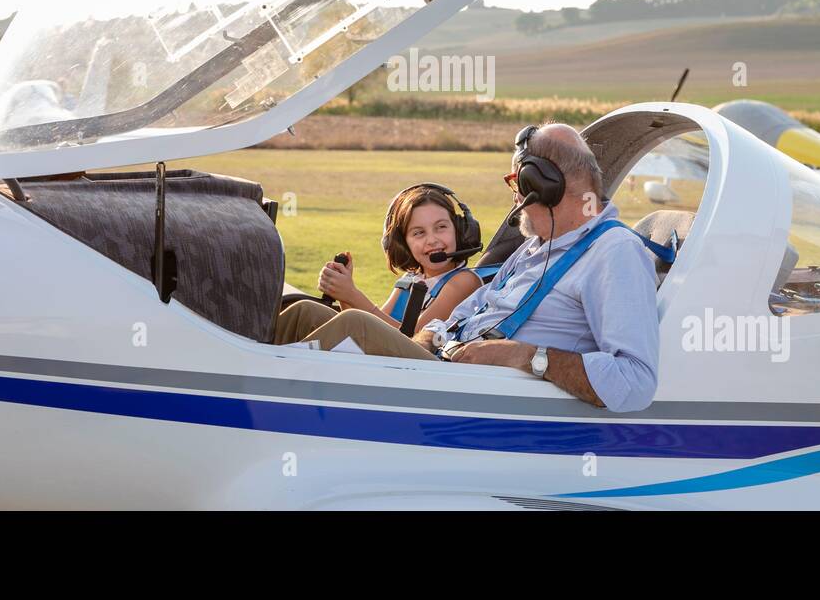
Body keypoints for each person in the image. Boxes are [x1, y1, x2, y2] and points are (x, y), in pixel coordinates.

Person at [275, 123, 663, 413]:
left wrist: (525, 356)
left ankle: (263, 411)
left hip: (479, 397)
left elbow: (635, 381)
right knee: (304, 313)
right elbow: (465, 313)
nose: (514, 194)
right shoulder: (535, 248)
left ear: (540, 186)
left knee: (354, 327)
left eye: (516, 181)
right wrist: (430, 336)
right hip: (448, 367)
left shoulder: (614, 253)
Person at [273, 184, 484, 343]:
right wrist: (343, 294)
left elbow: (414, 339)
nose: (432, 240)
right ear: (402, 244)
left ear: (459, 230)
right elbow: (372, 324)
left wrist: (352, 294)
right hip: (387, 355)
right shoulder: (410, 280)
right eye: (418, 233)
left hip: (418, 366)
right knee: (306, 311)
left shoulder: (463, 282)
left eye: (441, 227)